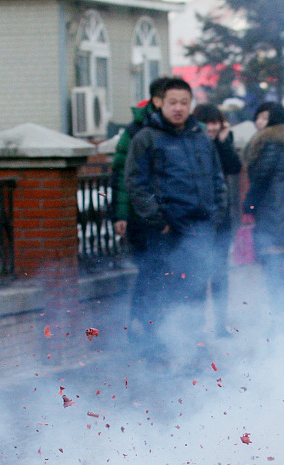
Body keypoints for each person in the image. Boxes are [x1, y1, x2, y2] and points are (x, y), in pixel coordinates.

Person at [124, 77, 226, 369]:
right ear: (160, 104)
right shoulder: (146, 138)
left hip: (200, 229)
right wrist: (158, 220)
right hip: (166, 231)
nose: (178, 108)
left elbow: (217, 179)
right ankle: (157, 351)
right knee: (163, 290)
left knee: (196, 289)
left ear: (191, 104)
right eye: (173, 102)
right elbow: (136, 184)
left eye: (184, 102)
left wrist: (216, 212)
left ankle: (193, 348)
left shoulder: (200, 138)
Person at [242, 102, 284, 334]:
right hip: (283, 214)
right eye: (258, 117)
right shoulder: (281, 144)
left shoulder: (269, 144)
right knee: (279, 270)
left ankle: (282, 322)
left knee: (275, 271)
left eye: (265, 117)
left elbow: (260, 180)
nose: (259, 122)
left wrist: (249, 205)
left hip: (275, 216)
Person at [111, 77, 171, 345]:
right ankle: (143, 326)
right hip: (143, 216)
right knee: (151, 271)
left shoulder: (182, 130)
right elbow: (124, 175)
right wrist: (120, 214)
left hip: (173, 215)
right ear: (157, 101)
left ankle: (161, 327)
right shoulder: (136, 131)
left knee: (168, 271)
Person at [192, 102, 242, 336]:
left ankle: (220, 324)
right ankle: (197, 327)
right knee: (198, 276)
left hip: (221, 218)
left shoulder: (222, 142)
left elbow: (234, 167)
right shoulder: (191, 144)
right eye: (207, 123)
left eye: (216, 123)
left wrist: (223, 142)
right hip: (198, 219)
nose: (211, 127)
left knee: (220, 274)